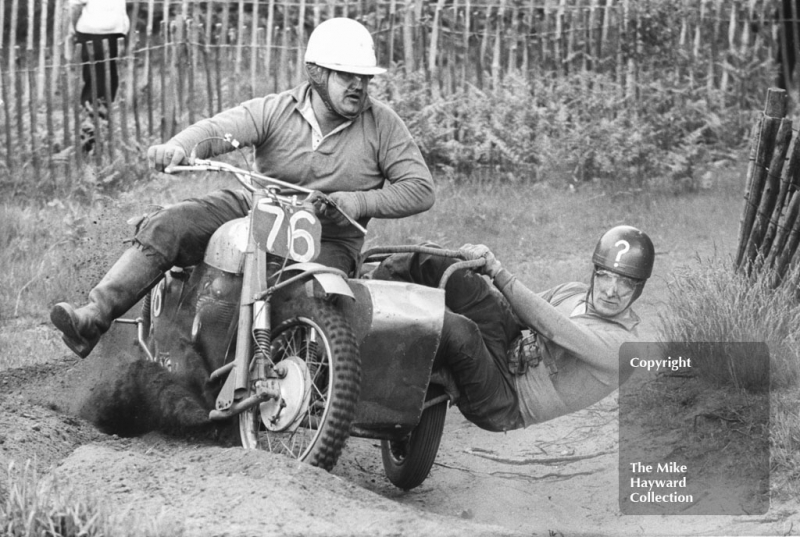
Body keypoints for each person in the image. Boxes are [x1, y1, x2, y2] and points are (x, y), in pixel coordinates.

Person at [50, 17, 435, 359]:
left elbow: (420, 188)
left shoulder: (383, 125)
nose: (358, 86)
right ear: (317, 73)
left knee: (306, 291)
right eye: (346, 75)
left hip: (329, 237)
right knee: (171, 223)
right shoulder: (276, 109)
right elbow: (219, 129)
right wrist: (179, 146)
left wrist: (356, 200)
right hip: (257, 207)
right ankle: (93, 318)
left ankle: (296, 376)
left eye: (364, 78)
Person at [373, 225, 654, 432]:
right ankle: (367, 304)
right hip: (504, 348)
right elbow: (516, 314)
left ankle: (376, 368)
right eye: (605, 277)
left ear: (638, 289)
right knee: (443, 263)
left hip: (504, 403)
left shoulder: (624, 347)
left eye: (626, 284)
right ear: (594, 272)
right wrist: (474, 273)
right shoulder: (574, 292)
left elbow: (553, 327)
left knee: (458, 331)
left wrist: (497, 271)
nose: (611, 291)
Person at [69, 0, 130, 108]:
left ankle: (104, 112)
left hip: (115, 33)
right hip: (92, 32)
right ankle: (91, 113)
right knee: (95, 76)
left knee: (111, 76)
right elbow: (75, 6)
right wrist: (75, 28)